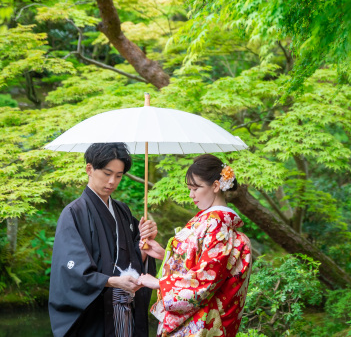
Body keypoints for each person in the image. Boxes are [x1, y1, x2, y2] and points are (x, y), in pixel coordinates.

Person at [49, 142, 159, 337]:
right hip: (96, 313)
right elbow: (72, 270)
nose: (112, 182)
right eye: (107, 174)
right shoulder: (74, 213)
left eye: (118, 175)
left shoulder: (122, 211)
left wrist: (144, 243)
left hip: (126, 307)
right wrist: (113, 281)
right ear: (89, 169)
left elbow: (135, 257)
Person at [136, 154, 252, 337]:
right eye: (190, 189)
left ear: (215, 186)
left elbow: (207, 277)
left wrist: (159, 283)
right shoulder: (208, 220)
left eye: (196, 188)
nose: (191, 195)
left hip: (201, 321)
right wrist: (162, 254)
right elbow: (197, 260)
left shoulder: (217, 225)